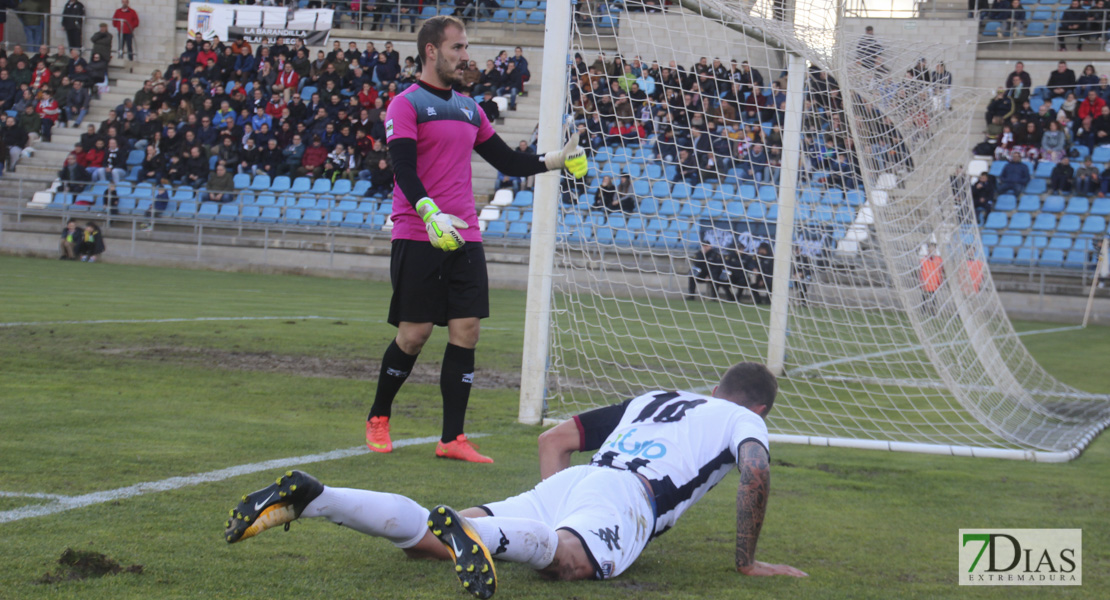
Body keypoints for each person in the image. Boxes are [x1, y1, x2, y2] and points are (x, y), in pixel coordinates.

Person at [225, 362, 806, 599]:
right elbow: (754, 468)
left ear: (716, 386)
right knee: (572, 562)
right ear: (759, 408)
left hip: (574, 481)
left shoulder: (657, 398)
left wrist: (552, 511)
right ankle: (489, 539)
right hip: (629, 494)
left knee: (430, 540)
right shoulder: (744, 421)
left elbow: (553, 440)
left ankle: (318, 497)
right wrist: (747, 562)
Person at [366, 16, 587, 463]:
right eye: (457, 48)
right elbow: (403, 168)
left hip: (464, 234)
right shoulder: (405, 104)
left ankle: (452, 438)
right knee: (414, 335)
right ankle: (379, 416)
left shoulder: (470, 108)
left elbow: (506, 158)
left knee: (466, 331)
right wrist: (428, 212)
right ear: (431, 51)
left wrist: (555, 159)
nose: (465, 55)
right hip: (420, 230)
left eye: (465, 47)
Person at [920, 243, 942, 314]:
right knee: (924, 298)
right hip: (926, 283)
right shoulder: (923, 260)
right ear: (928, 250)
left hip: (934, 283)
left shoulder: (939, 260)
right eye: (930, 248)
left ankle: (933, 312)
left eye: (933, 249)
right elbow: (920, 271)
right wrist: (921, 281)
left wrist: (940, 281)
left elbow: (941, 271)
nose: (932, 250)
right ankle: (923, 311)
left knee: (933, 299)